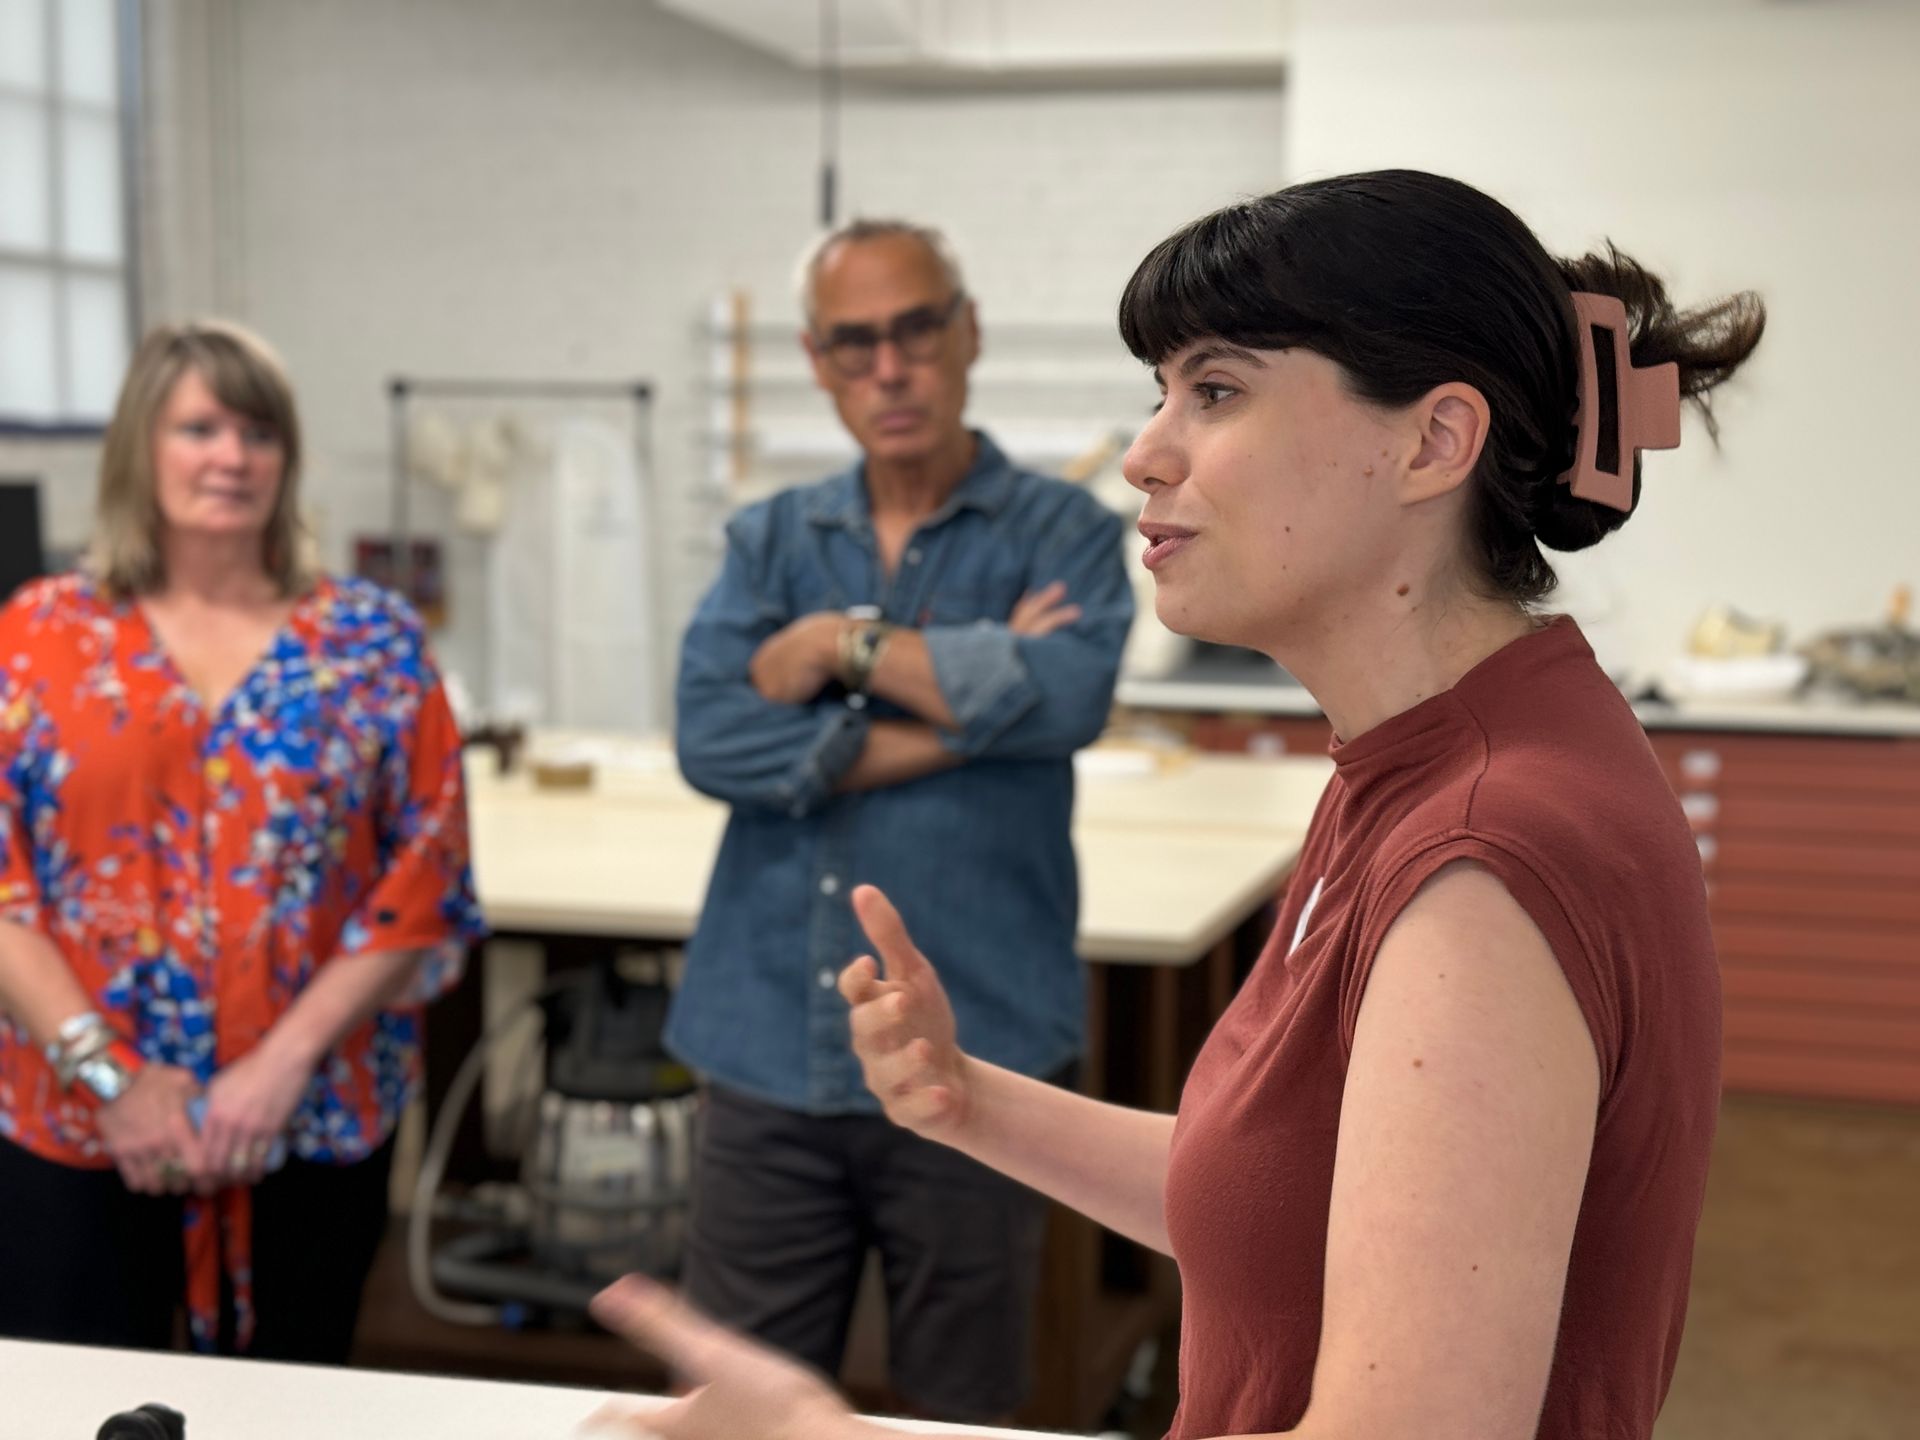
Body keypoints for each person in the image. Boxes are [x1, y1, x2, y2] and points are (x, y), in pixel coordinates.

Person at [591, 169, 1766, 1440]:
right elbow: (1285, 1203)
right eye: (1161, 395)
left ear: (1434, 442)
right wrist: (968, 1098)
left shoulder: (1480, 856)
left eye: (1215, 391)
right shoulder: (1425, 763)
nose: (1146, 455)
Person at [664, 218, 1133, 1421]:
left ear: (967, 332)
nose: (891, 369)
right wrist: (974, 708)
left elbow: (1069, 697)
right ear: (819, 363)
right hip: (765, 1036)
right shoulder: (770, 539)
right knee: (740, 1406)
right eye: (855, 343)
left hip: (981, 1051)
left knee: (964, 1410)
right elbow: (715, 739)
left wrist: (835, 647)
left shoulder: (1064, 530)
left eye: (916, 330)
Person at [0, 320, 485, 1362]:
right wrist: (111, 1082)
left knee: (293, 1395)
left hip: (310, 1116)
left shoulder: (371, 642)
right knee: (70, 1397)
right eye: (200, 427)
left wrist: (279, 1069)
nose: (232, 455)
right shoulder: (36, 639)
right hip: (79, 1121)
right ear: (141, 448)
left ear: (288, 458)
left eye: (258, 431)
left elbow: (424, 875)